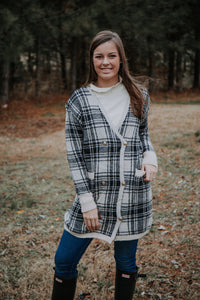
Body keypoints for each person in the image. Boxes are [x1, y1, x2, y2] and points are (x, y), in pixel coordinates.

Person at [51, 30, 158, 300]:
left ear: (121, 58)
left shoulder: (139, 96)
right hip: (94, 197)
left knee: (126, 264)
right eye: (99, 56)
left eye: (112, 55)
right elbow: (74, 155)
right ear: (92, 60)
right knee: (64, 261)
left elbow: (144, 137)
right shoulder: (79, 100)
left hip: (131, 196)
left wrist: (150, 158)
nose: (105, 62)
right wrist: (86, 202)